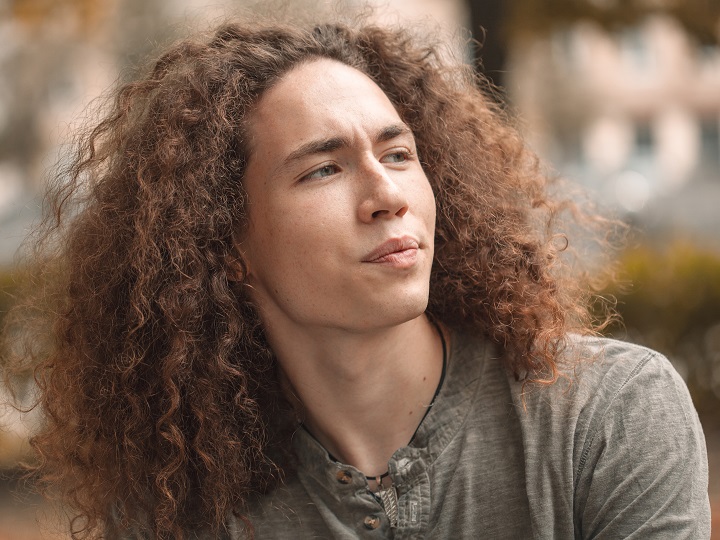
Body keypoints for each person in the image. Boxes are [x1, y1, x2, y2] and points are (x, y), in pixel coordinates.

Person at [1, 14, 710, 540]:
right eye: (324, 169)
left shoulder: (608, 416)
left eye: (398, 154)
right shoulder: (180, 503)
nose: (386, 195)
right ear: (224, 245)